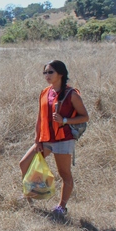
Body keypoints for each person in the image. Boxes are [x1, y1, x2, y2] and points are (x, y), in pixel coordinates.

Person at [19, 60, 89, 217]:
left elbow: (85, 117)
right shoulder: (45, 92)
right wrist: (37, 140)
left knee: (65, 174)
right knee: (24, 164)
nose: (47, 75)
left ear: (61, 74)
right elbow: (40, 118)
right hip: (46, 138)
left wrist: (64, 120)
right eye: (45, 72)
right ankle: (30, 195)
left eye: (50, 72)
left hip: (63, 139)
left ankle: (61, 207)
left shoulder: (72, 94)